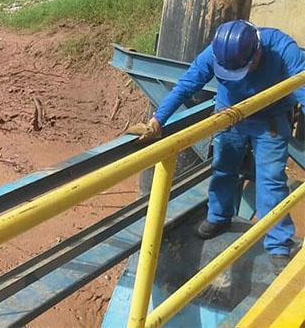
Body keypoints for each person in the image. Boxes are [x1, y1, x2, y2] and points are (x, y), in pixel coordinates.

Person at [129, 20, 303, 273]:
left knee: (271, 181)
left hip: (269, 121)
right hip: (229, 115)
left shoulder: (282, 48)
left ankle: (278, 245)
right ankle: (219, 218)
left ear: (258, 53)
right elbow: (186, 86)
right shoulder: (215, 53)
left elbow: (303, 90)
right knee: (222, 168)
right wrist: (156, 121)